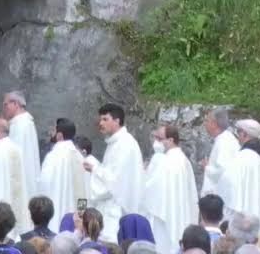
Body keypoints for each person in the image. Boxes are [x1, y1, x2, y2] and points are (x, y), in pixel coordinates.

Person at [85, 104, 144, 225]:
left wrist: (94, 168)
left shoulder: (125, 144)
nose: (100, 123)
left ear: (117, 121)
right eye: (100, 119)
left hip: (117, 210)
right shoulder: (114, 143)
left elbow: (115, 182)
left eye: (105, 119)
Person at [144, 125, 198, 254]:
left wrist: (144, 173)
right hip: (180, 211)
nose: (156, 142)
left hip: (165, 213)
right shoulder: (183, 160)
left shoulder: (164, 161)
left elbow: (150, 187)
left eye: (160, 138)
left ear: (171, 140)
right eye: (155, 137)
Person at [223, 121, 260, 235]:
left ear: (244, 134)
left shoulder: (242, 157)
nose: (238, 137)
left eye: (239, 133)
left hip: (248, 213)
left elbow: (229, 184)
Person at [39, 119, 87, 233]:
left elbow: (44, 184)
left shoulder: (52, 156)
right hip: (73, 219)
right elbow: (85, 190)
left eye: (53, 130)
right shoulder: (80, 158)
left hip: (53, 213)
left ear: (59, 135)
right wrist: (81, 215)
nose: (51, 133)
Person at [4, 92, 41, 198]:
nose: (4, 108)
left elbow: (14, 156)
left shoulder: (20, 125)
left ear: (15, 104)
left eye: (5, 104)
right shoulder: (24, 122)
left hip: (20, 180)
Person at [202, 110, 239, 200]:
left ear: (214, 124)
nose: (204, 124)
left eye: (207, 121)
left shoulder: (225, 142)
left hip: (223, 198)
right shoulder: (224, 139)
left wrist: (207, 168)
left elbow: (223, 170)